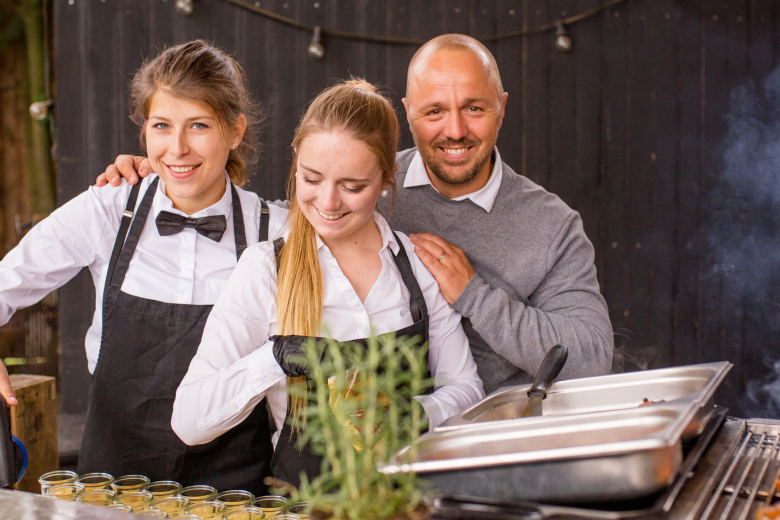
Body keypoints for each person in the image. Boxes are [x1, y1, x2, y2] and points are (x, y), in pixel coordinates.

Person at [99, 34, 613, 397]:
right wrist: (166, 175)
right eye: (434, 111)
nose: (454, 130)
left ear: (501, 106)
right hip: (358, 451)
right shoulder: (354, 182)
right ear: (408, 113)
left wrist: (474, 295)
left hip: (498, 441)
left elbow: (591, 358)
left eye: (474, 108)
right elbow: (279, 217)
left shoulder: (552, 225)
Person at [0, 40, 287, 493]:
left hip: (234, 490)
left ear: (235, 131)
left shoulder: (274, 230)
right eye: (161, 126)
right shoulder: (107, 210)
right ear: (145, 132)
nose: (177, 148)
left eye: (198, 125)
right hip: (112, 485)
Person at [170, 80, 484, 488]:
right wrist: (274, 358)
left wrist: (417, 414)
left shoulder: (416, 266)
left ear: (386, 179)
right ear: (296, 163)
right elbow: (189, 422)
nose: (328, 202)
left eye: (352, 186)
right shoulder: (265, 271)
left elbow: (468, 390)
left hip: (411, 505)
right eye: (312, 179)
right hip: (306, 507)